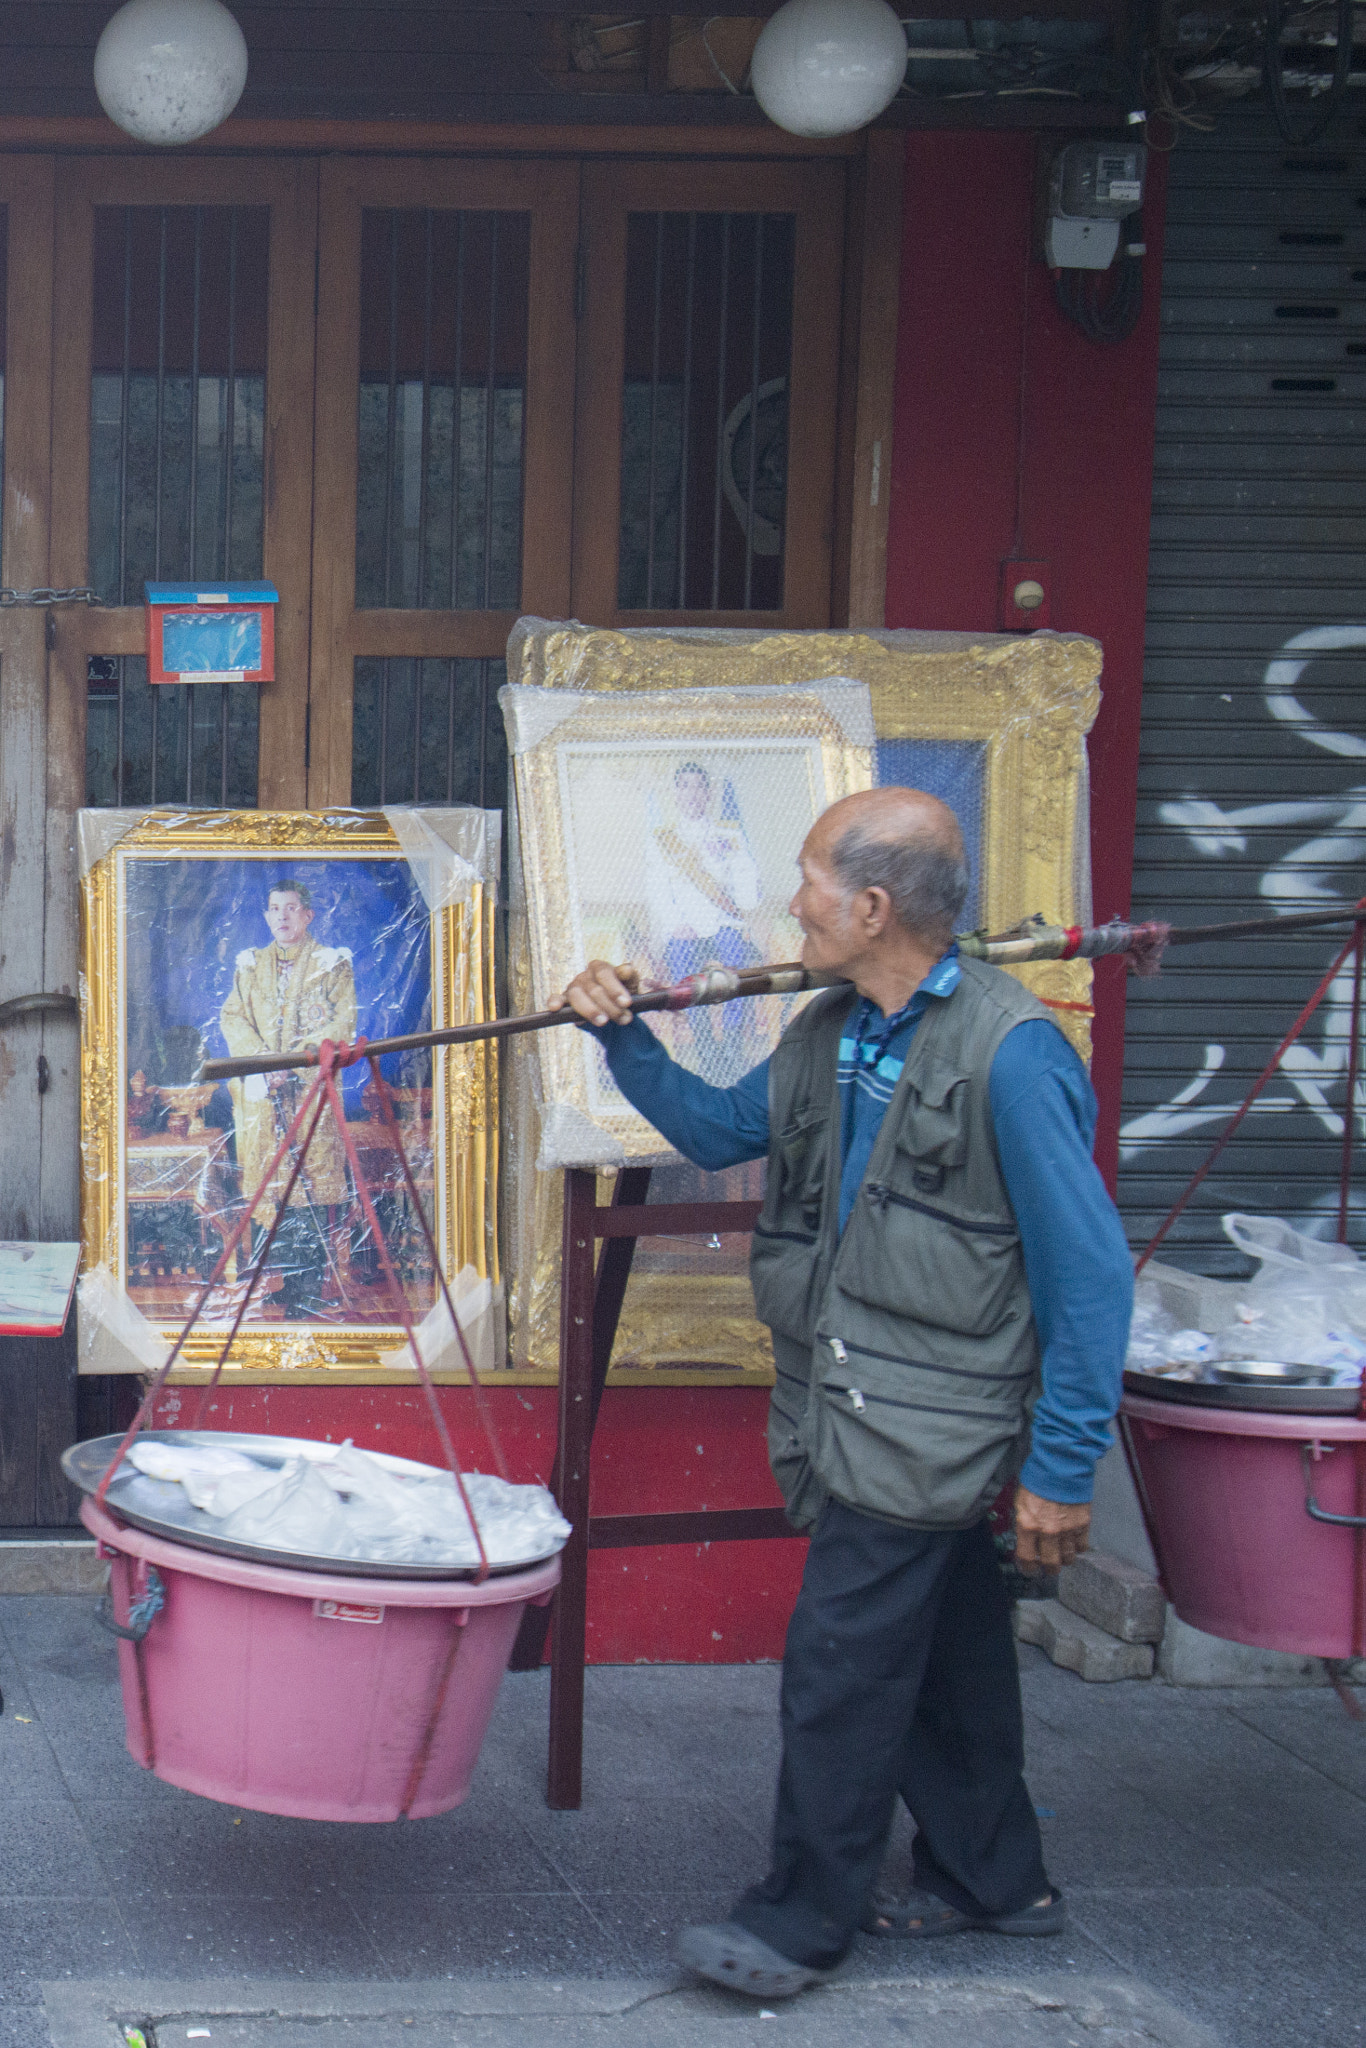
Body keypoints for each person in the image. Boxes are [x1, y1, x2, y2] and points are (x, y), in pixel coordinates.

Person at [556, 786, 1133, 2002]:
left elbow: (1088, 1276)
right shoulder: (834, 1029)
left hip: (934, 1420)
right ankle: (996, 1877)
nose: (790, 901)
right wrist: (622, 1035)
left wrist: (1063, 1465)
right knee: (948, 1646)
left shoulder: (1011, 1052)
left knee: (841, 1663)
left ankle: (801, 1913)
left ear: (872, 906)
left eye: (810, 877)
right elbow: (718, 1131)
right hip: (844, 1399)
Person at [219, 880, 357, 1318]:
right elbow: (233, 1018)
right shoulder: (249, 965)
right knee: (274, 1188)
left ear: (308, 915)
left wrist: (295, 1064)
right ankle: (283, 1283)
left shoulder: (332, 964)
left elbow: (343, 1020)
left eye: (292, 908)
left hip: (310, 1092)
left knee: (310, 1187)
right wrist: (264, 1063)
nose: (283, 916)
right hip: (264, 1094)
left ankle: (307, 1286)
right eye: (275, 908)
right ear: (266, 916)